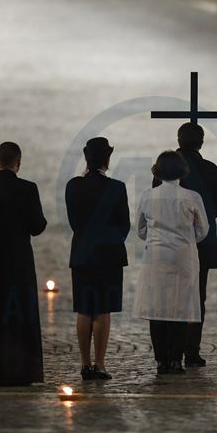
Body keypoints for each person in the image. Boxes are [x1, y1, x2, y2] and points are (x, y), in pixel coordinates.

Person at [0, 142, 47, 386]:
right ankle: (21, 370)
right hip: (19, 261)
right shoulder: (28, 189)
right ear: (18, 163)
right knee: (19, 315)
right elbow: (38, 226)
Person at [152, 123, 217, 367]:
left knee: (168, 295)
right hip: (201, 242)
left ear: (178, 140)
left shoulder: (163, 167)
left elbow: (157, 201)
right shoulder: (210, 169)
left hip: (168, 242)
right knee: (196, 296)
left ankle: (168, 354)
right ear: (201, 142)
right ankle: (192, 351)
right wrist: (199, 220)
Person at [134, 151, 209, 375]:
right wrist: (186, 239)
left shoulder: (148, 196)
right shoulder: (192, 197)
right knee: (180, 307)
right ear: (181, 171)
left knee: (157, 308)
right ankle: (176, 360)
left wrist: (155, 238)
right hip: (183, 256)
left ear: (158, 171)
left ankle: (161, 361)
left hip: (155, 256)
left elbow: (140, 230)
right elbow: (203, 230)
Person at [65, 137, 130, 381]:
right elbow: (124, 225)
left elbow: (74, 222)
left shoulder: (73, 186)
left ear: (86, 158)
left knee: (84, 309)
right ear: (107, 159)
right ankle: (100, 364)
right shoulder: (117, 187)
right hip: (109, 255)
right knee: (103, 311)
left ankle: (85, 363)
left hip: (82, 253)